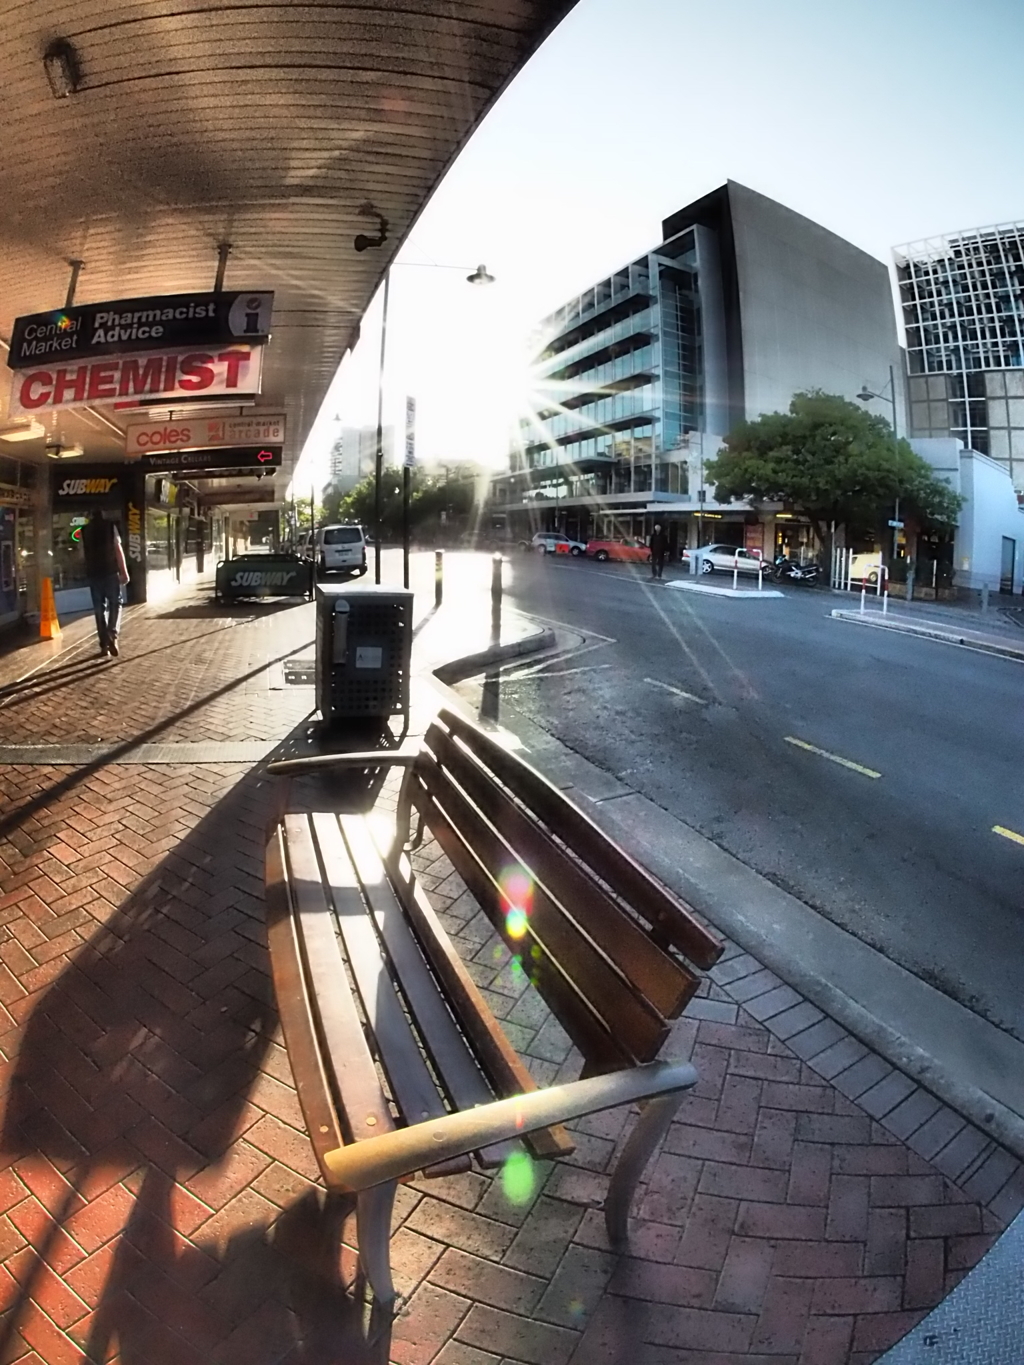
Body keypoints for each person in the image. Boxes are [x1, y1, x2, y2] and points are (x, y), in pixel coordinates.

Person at [81, 509, 129, 657]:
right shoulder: (110, 527)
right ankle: (112, 634)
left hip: (94, 574)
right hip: (110, 572)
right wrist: (124, 571)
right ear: (103, 514)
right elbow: (117, 549)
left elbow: (81, 554)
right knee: (116, 603)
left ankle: (103, 645)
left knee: (99, 609)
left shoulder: (84, 530)